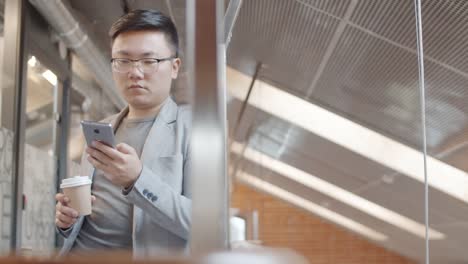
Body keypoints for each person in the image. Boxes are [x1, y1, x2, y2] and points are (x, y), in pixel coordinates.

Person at [54, 9, 191, 257]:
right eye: (123, 60)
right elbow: (91, 214)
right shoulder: (101, 128)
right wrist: (68, 221)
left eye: (149, 61)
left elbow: (206, 225)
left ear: (174, 67)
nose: (134, 72)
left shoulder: (195, 132)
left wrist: (137, 179)